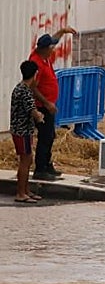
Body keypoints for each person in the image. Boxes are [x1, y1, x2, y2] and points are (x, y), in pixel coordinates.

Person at [28, 27, 77, 181]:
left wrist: (63, 31)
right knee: (45, 136)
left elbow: (54, 39)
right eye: (50, 48)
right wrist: (46, 103)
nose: (53, 50)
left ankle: (48, 165)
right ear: (44, 49)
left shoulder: (44, 57)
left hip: (49, 104)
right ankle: (40, 168)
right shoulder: (36, 62)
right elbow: (33, 87)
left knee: (50, 135)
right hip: (41, 106)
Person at [11, 60, 46, 203]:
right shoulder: (25, 91)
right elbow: (33, 111)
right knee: (25, 161)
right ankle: (21, 193)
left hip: (21, 130)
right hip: (22, 131)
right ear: (35, 74)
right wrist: (40, 117)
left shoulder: (19, 88)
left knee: (28, 159)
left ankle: (26, 190)